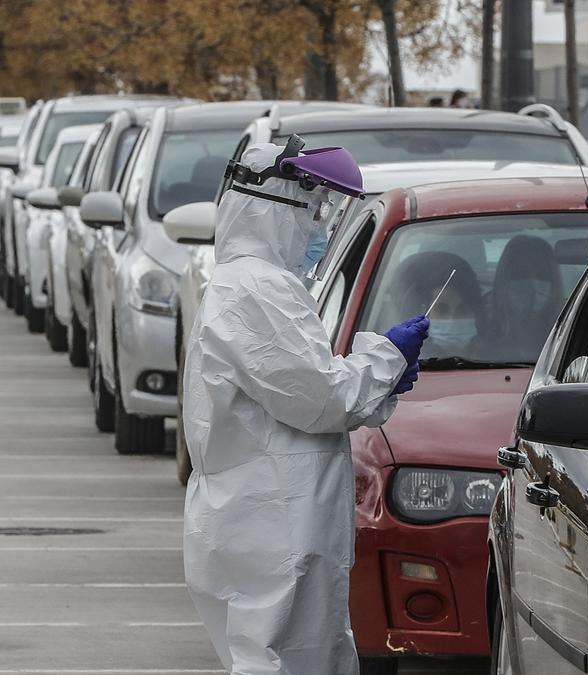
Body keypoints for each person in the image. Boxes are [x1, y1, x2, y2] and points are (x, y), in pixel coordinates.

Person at [183, 137, 430, 675]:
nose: (320, 228)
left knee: (296, 653)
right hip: (272, 518)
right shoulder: (256, 289)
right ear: (275, 210)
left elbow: (303, 390)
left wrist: (381, 378)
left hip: (263, 511)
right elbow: (321, 398)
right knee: (280, 657)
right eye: (314, 212)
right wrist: (386, 358)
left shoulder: (250, 285)